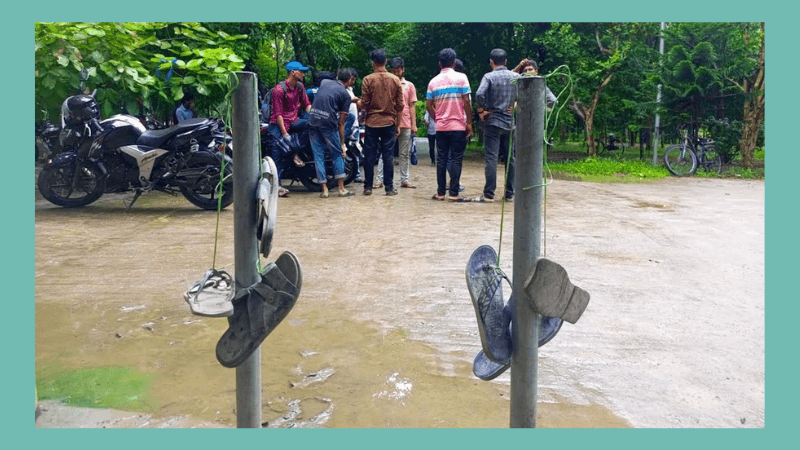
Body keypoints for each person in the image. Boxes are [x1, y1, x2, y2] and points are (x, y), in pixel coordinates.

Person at [426, 48, 473, 202]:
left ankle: (440, 193)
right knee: (456, 159)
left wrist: (437, 118)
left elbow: (428, 105)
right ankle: (454, 193)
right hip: (458, 126)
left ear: (440, 64)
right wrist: (469, 122)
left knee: (442, 159)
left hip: (441, 127)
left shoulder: (433, 82)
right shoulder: (462, 78)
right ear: (454, 63)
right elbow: (467, 102)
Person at [475, 48, 519, 203]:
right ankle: (509, 193)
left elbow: (479, 94)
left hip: (493, 121)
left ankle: (489, 194)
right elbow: (525, 96)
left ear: (491, 62)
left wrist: (481, 110)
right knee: (510, 158)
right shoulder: (516, 77)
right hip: (511, 122)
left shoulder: (489, 77)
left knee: (491, 158)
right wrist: (515, 104)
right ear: (506, 62)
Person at [358, 49, 404, 196]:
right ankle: (389, 188)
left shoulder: (367, 80)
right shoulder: (395, 80)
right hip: (389, 122)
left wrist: (358, 102)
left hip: (372, 122)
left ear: (373, 63)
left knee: (369, 155)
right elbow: (400, 105)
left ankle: (368, 187)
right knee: (388, 155)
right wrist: (397, 124)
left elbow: (365, 103)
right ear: (385, 62)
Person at [267, 61, 313, 197]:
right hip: (278, 124)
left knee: (311, 125)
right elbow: (278, 114)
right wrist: (285, 134)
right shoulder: (279, 90)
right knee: (278, 155)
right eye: (301, 71)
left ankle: (295, 152)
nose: (303, 74)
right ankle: (277, 186)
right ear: (293, 72)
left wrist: (315, 116)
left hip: (293, 120)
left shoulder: (300, 87)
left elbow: (306, 104)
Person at [307, 68, 355, 198]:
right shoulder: (345, 95)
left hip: (312, 121)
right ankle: (341, 188)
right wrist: (342, 143)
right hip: (329, 124)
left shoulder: (325, 83)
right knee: (337, 154)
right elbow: (342, 122)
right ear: (350, 79)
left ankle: (324, 190)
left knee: (318, 156)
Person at [389, 56, 417, 189]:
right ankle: (380, 179)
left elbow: (412, 106)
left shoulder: (409, 85)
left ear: (403, 70)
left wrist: (414, 124)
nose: (396, 73)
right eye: (394, 71)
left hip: (405, 122)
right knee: (386, 151)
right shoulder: (388, 84)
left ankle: (404, 179)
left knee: (404, 153)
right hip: (390, 121)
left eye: (398, 71)